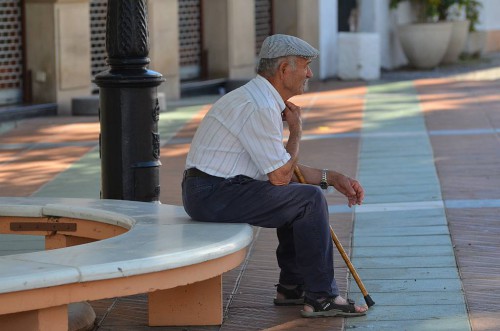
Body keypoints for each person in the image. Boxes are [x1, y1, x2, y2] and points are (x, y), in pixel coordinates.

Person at [182, 34, 367, 318]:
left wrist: (333, 178)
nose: (310, 73)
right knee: (309, 200)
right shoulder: (260, 106)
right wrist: (296, 131)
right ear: (283, 70)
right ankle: (322, 296)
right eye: (305, 66)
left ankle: (292, 287)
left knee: (301, 198)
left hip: (212, 189)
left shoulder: (257, 98)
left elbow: (281, 168)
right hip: (212, 193)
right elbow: (281, 177)